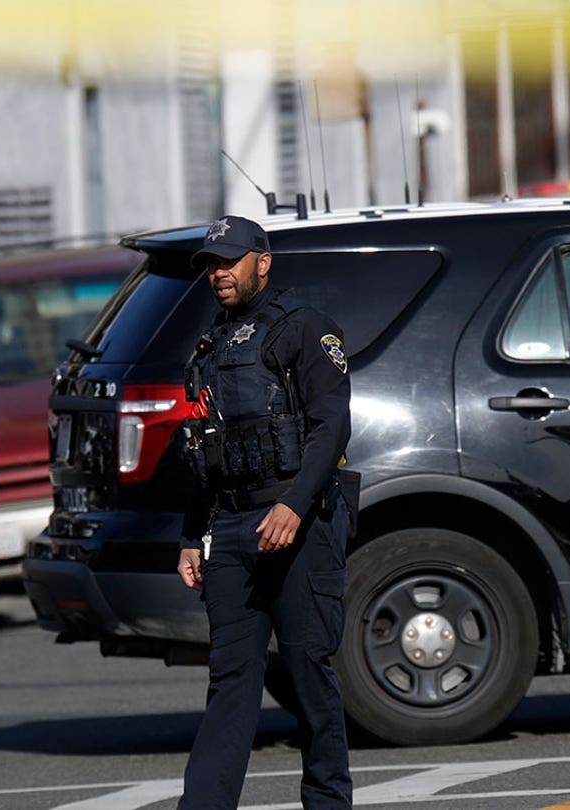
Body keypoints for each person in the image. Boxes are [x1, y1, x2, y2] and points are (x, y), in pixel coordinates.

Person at [176, 215, 355, 809]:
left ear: (263, 260)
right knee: (230, 680)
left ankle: (327, 802)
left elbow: (331, 427)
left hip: (298, 524)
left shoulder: (304, 330)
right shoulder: (211, 343)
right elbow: (204, 447)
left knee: (308, 673)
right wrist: (189, 536)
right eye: (210, 264)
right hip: (229, 528)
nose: (218, 273)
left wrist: (293, 505)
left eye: (229, 261)